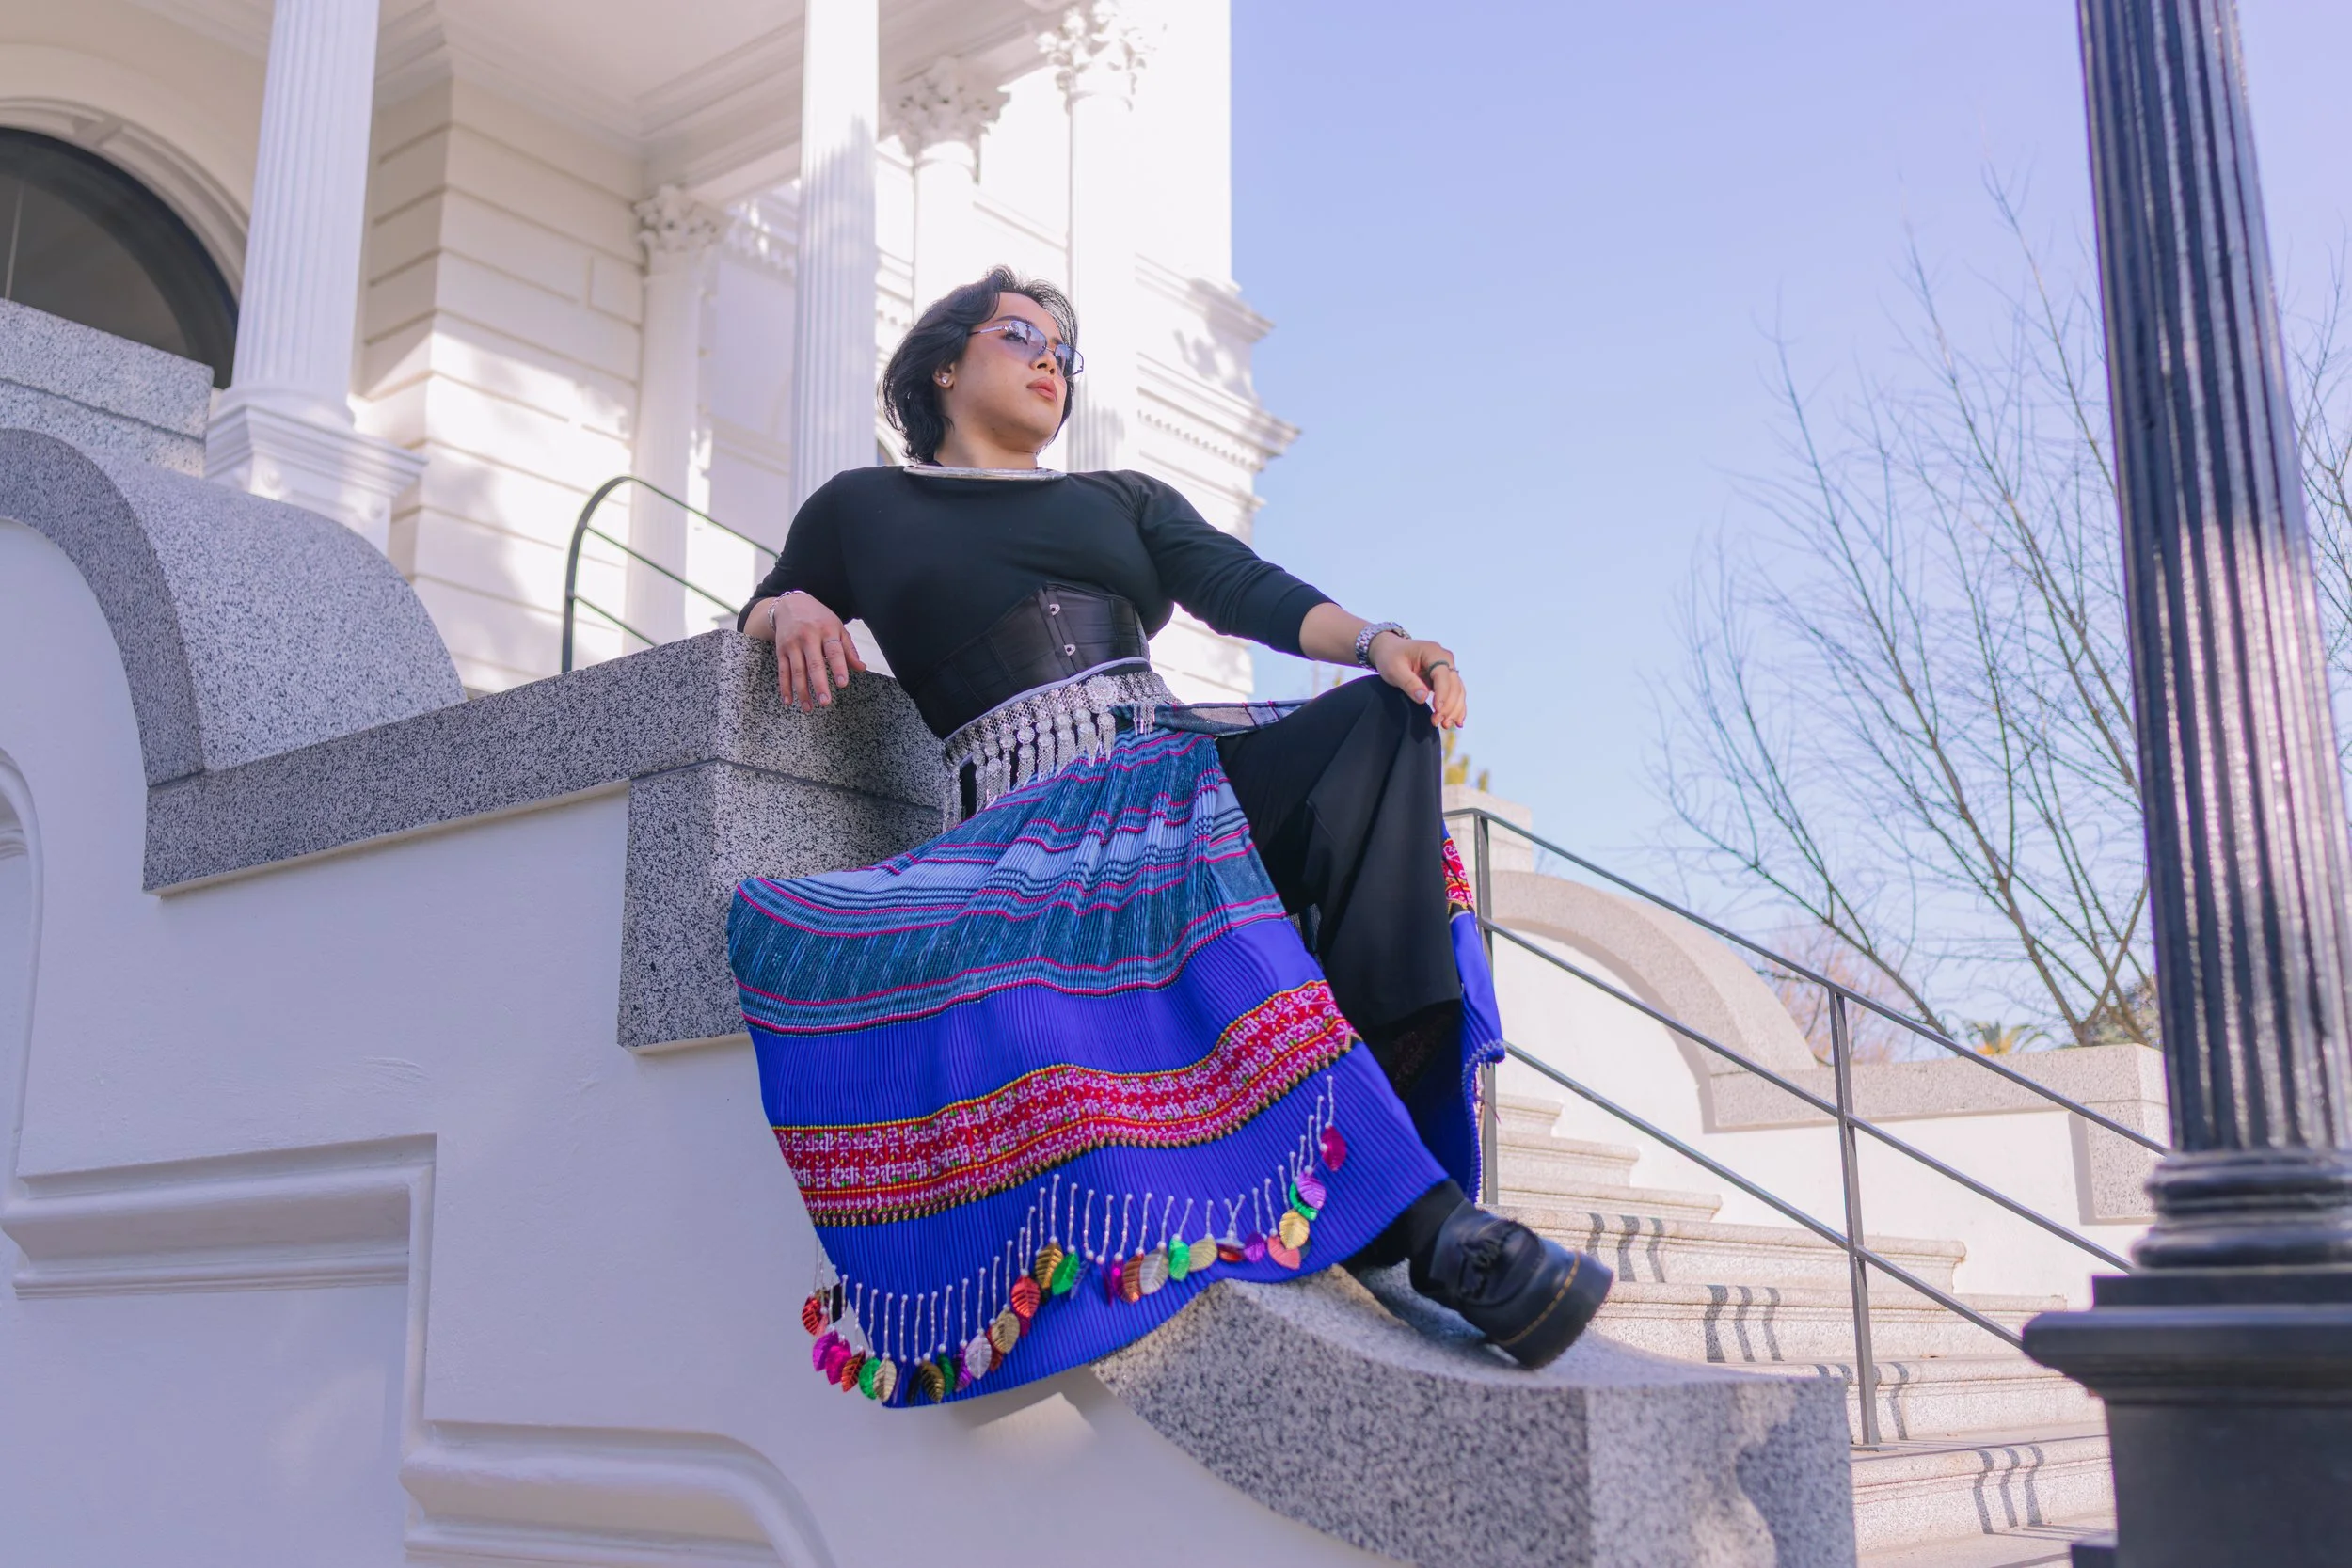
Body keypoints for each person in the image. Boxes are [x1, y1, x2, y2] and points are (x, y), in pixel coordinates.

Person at [731, 267, 1610, 1407]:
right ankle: (1424, 1229)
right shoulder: (862, 507)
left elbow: (1239, 584)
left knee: (1379, 723)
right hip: (1031, 829)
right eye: (1020, 335)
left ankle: (1383, 1157)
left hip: (1174, 764)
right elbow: (769, 603)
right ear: (944, 364)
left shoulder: (1121, 498)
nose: (1050, 360)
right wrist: (791, 603)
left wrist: (1378, 640)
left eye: (1064, 350)